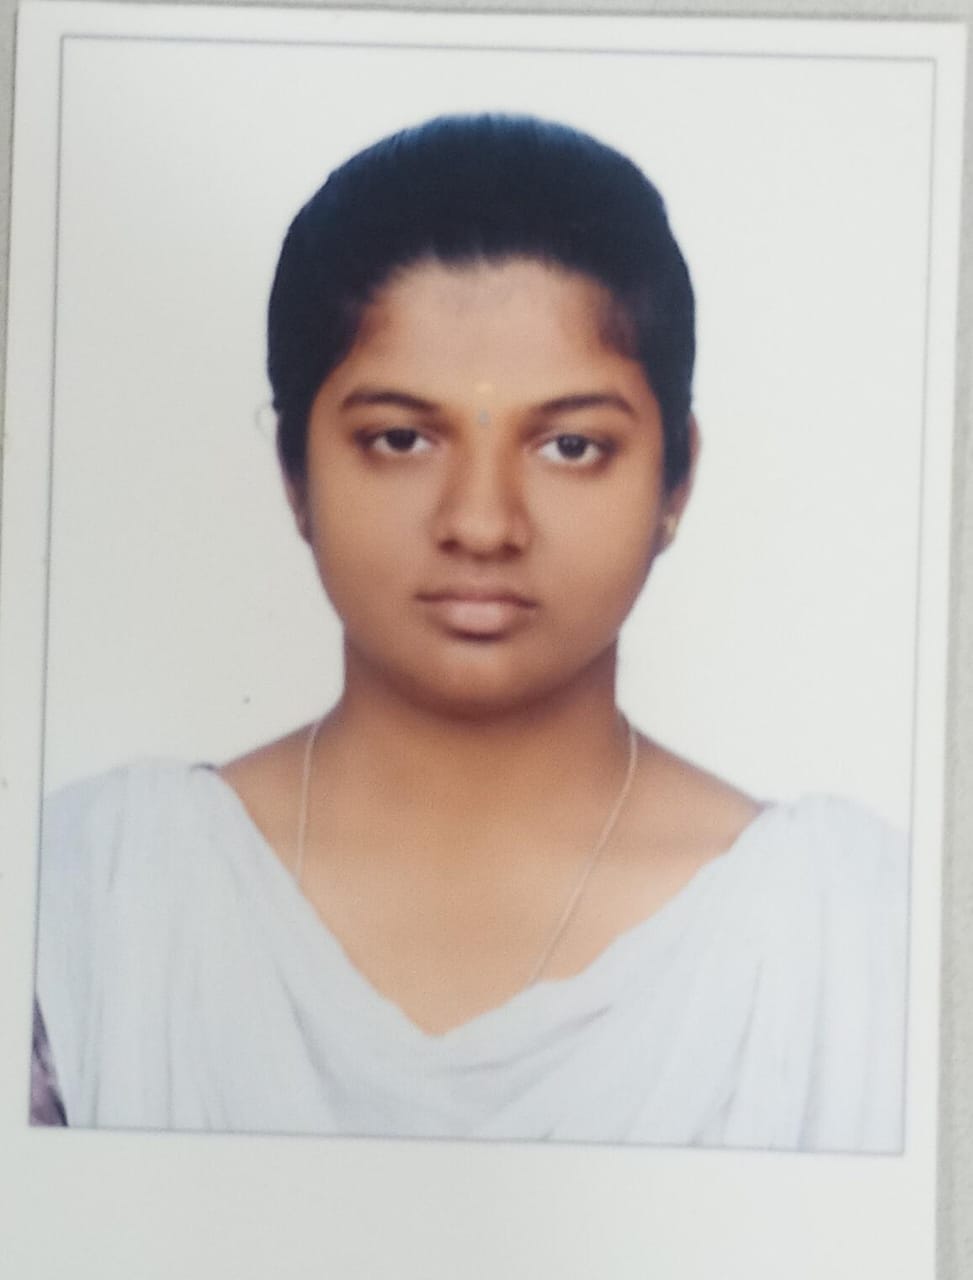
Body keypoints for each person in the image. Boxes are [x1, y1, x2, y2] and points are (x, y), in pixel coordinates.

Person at [33, 114, 907, 1150]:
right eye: (401, 438)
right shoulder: (88, 907)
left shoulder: (850, 943)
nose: (482, 524)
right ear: (295, 472)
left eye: (570, 445)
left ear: (675, 479)